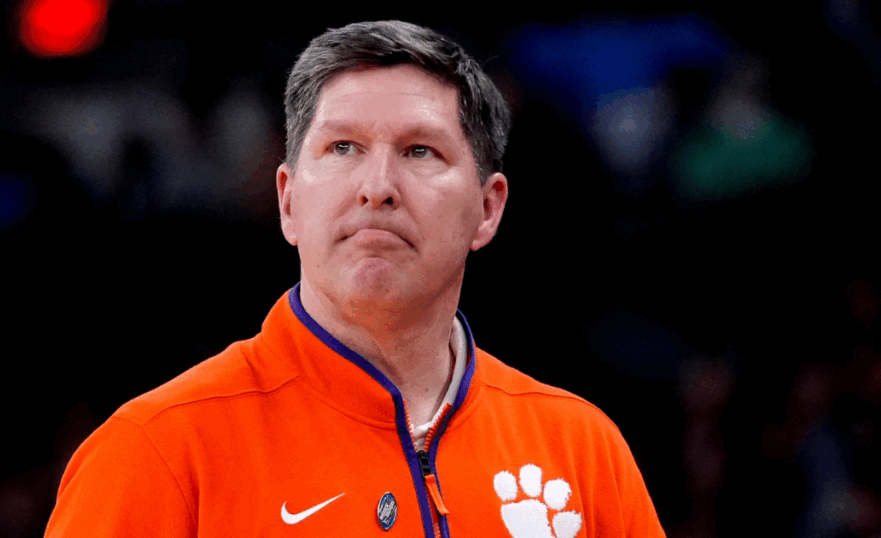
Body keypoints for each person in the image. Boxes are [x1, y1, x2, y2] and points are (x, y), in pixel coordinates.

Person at [44, 20, 666, 538]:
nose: (377, 188)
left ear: (488, 207)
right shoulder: (156, 453)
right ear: (288, 201)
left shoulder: (582, 452)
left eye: (421, 151)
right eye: (342, 148)